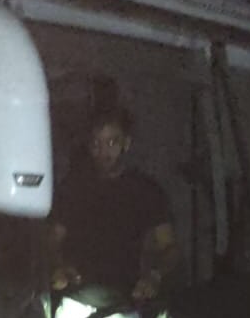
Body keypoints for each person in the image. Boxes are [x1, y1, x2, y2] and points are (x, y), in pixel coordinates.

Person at [49, 106, 179, 302]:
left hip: (127, 298)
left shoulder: (146, 191)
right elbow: (51, 240)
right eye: (96, 143)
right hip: (75, 297)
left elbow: (170, 247)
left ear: (126, 143)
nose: (103, 152)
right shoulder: (73, 187)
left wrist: (154, 277)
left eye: (111, 142)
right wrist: (59, 266)